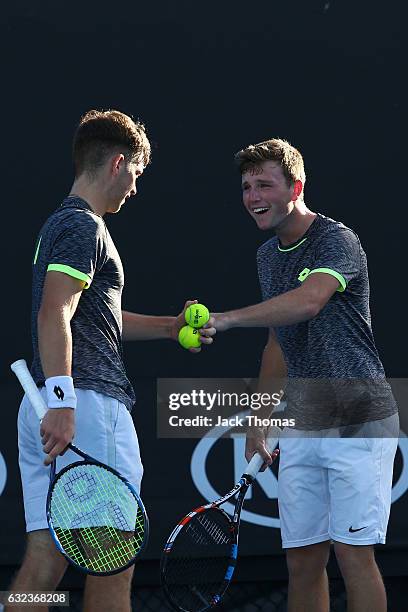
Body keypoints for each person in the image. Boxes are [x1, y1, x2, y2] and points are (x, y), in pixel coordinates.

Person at [8, 109, 215, 612]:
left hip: (46, 408)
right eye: (136, 176)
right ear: (119, 163)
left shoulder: (64, 224)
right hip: (85, 411)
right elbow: (53, 310)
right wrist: (65, 400)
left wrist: (169, 327)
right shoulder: (83, 226)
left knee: (45, 562)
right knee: (113, 561)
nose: (135, 190)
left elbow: (94, 317)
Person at [212, 138, 399, 612]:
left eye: (265, 185)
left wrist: (229, 318)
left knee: (354, 557)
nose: (253, 196)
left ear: (295, 187)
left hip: (358, 414)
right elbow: (278, 343)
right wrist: (259, 420)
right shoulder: (268, 256)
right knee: (302, 561)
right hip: (302, 418)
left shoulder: (336, 239)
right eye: (247, 187)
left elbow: (310, 300)